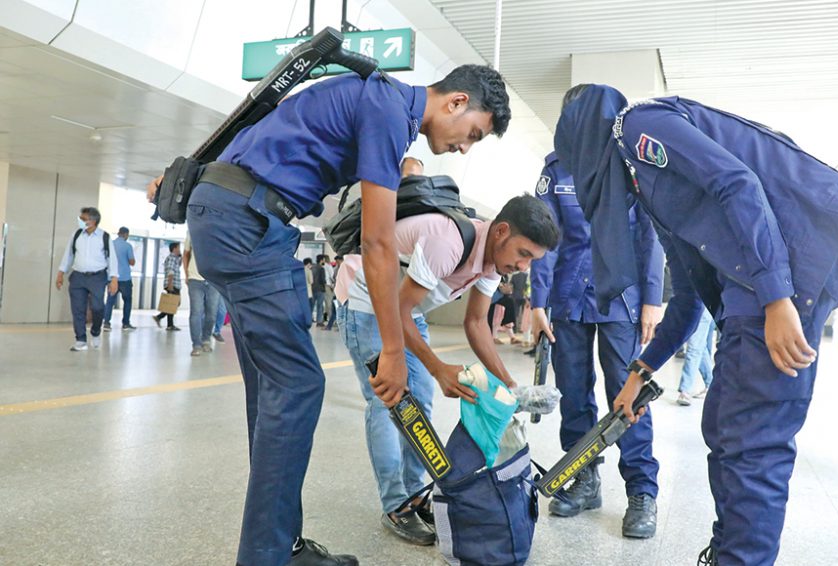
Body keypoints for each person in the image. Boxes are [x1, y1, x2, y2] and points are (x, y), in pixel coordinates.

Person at [149, 63, 510, 566]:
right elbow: (378, 242)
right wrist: (392, 351)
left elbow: (265, 123)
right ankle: (267, 557)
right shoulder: (389, 109)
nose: (465, 148)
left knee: (274, 390)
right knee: (298, 386)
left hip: (226, 214)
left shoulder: (376, 98)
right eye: (472, 134)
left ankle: (283, 545)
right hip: (249, 224)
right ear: (456, 102)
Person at [554, 85, 838, 566]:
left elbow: (737, 182)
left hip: (781, 279)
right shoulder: (644, 183)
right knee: (725, 427)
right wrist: (641, 370)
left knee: (752, 444)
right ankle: (729, 551)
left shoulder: (638, 127)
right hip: (753, 290)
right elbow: (688, 295)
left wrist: (776, 297)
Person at [337, 194, 558, 545]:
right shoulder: (448, 242)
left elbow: (476, 323)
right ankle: (396, 505)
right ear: (501, 231)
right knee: (388, 401)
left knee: (420, 402)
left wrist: (511, 386)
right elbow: (397, 310)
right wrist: (438, 368)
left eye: (532, 259)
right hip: (366, 301)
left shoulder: (493, 262)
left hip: (407, 310)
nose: (523, 266)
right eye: (523, 253)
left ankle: (414, 494)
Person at [529, 151, 664, 538]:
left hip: (621, 297)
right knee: (572, 392)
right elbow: (545, 237)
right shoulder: (556, 170)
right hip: (568, 296)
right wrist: (537, 302)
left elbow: (650, 234)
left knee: (628, 394)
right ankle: (583, 478)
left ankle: (641, 491)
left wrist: (652, 298)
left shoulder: (632, 161)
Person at [56, 207, 119, 351]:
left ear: (93, 221)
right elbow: (68, 255)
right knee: (78, 309)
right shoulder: (77, 235)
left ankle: (95, 331)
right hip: (78, 276)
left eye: (83, 219)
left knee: (98, 307)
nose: (80, 221)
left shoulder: (104, 237)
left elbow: (112, 259)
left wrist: (114, 279)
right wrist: (61, 273)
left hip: (98, 277)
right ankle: (81, 340)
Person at [184, 233, 221, 356]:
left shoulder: (219, 231)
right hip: (195, 279)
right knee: (196, 312)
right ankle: (196, 344)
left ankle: (206, 340)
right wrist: (187, 274)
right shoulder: (192, 231)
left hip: (214, 280)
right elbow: (186, 254)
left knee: (212, 314)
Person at [677, 307, 715, 406]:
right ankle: (711, 383)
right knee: (699, 346)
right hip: (695, 306)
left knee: (694, 348)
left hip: (702, 307)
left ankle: (685, 390)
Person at [102, 226, 136, 332]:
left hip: (112, 278)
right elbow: (132, 262)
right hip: (125, 278)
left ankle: (106, 323)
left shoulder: (110, 245)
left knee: (110, 301)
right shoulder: (127, 246)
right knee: (127, 301)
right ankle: (126, 323)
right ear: (125, 234)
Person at [152, 242, 182, 331]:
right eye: (179, 248)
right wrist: (170, 284)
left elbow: (178, 265)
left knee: (172, 303)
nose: (180, 250)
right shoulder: (172, 258)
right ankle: (161, 318)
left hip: (174, 284)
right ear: (174, 249)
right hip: (172, 284)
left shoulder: (174, 258)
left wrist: (181, 256)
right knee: (173, 303)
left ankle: (169, 324)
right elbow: (170, 271)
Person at [323, 256, 342, 331]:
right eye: (336, 261)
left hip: (342, 293)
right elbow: (333, 277)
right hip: (336, 291)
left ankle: (335, 326)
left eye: (338, 261)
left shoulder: (344, 268)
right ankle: (330, 326)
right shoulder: (336, 268)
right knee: (334, 309)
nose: (337, 263)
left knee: (340, 310)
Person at [312, 255, 328, 325]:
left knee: (311, 305)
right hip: (320, 289)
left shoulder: (312, 268)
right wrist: (325, 285)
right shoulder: (321, 268)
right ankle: (319, 321)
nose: (324, 261)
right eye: (324, 260)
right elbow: (322, 280)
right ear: (321, 260)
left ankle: (308, 319)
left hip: (313, 289)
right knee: (320, 306)